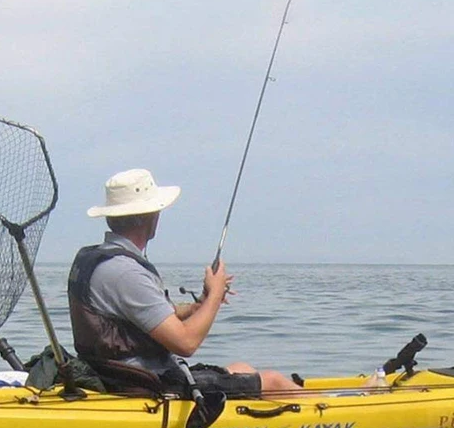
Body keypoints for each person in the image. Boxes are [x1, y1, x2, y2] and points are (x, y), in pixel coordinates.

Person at [67, 168, 301, 398]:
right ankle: (333, 417)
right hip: (145, 384)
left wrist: (199, 305)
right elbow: (186, 343)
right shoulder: (124, 272)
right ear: (148, 216)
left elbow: (152, 316)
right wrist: (216, 294)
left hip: (120, 375)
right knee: (273, 381)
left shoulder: (97, 259)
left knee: (244, 369)